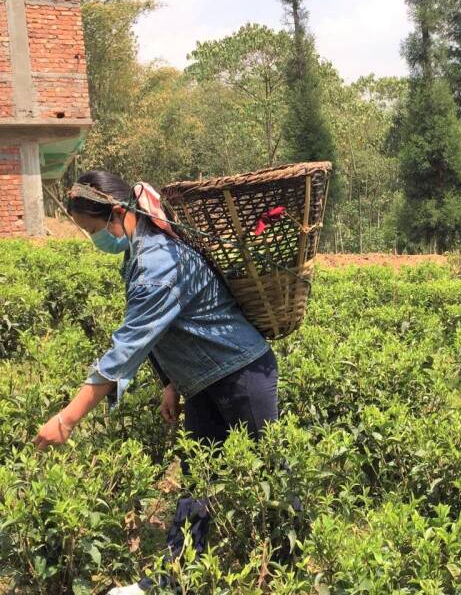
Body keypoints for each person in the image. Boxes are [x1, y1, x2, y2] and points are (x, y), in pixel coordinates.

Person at [33, 171, 279, 594]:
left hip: (242, 373)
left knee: (274, 474)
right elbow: (164, 331)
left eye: (93, 229)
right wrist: (170, 383)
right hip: (201, 380)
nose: (94, 239)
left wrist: (67, 419)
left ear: (117, 212)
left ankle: (293, 565)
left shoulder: (158, 263)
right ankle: (172, 580)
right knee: (198, 478)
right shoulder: (138, 255)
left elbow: (127, 348)